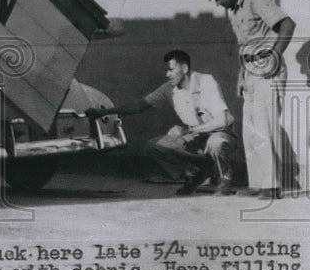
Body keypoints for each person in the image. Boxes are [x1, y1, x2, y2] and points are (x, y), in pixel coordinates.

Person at [86, 49, 236, 196]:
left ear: (184, 68)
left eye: (170, 70)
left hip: (220, 133)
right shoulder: (168, 89)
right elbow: (140, 105)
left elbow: (223, 120)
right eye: (166, 70)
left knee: (217, 144)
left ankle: (225, 179)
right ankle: (194, 175)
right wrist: (104, 112)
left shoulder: (206, 81)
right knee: (155, 146)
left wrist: (187, 130)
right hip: (195, 137)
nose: (167, 74)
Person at [202, 0, 296, 200]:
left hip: (267, 69)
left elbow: (288, 25)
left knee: (266, 128)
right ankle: (258, 184)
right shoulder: (236, 12)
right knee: (251, 132)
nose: (217, 2)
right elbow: (245, 46)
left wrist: (275, 55)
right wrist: (241, 75)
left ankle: (271, 186)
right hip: (250, 72)